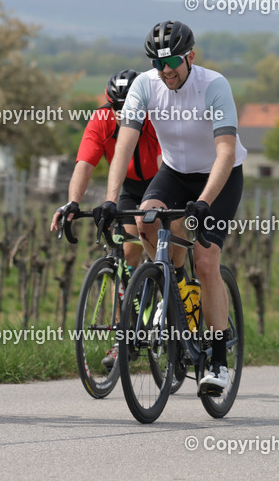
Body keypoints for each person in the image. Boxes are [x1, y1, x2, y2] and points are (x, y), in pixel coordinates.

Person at [95, 20, 245, 393]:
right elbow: (124, 145)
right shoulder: (146, 86)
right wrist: (111, 198)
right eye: (158, 63)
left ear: (190, 56)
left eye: (173, 61)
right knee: (146, 222)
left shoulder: (214, 86)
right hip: (175, 172)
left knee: (206, 259)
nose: (165, 71)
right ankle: (175, 288)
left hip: (218, 176)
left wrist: (204, 202)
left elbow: (226, 151)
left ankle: (217, 358)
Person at [50, 70, 163, 370]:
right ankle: (121, 337)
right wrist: (73, 202)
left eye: (130, 109)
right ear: (108, 102)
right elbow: (85, 164)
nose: (123, 114)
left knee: (153, 236)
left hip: (161, 181)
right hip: (129, 185)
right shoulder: (101, 119)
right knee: (126, 255)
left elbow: (168, 162)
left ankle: (169, 303)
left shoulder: (156, 116)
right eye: (117, 108)